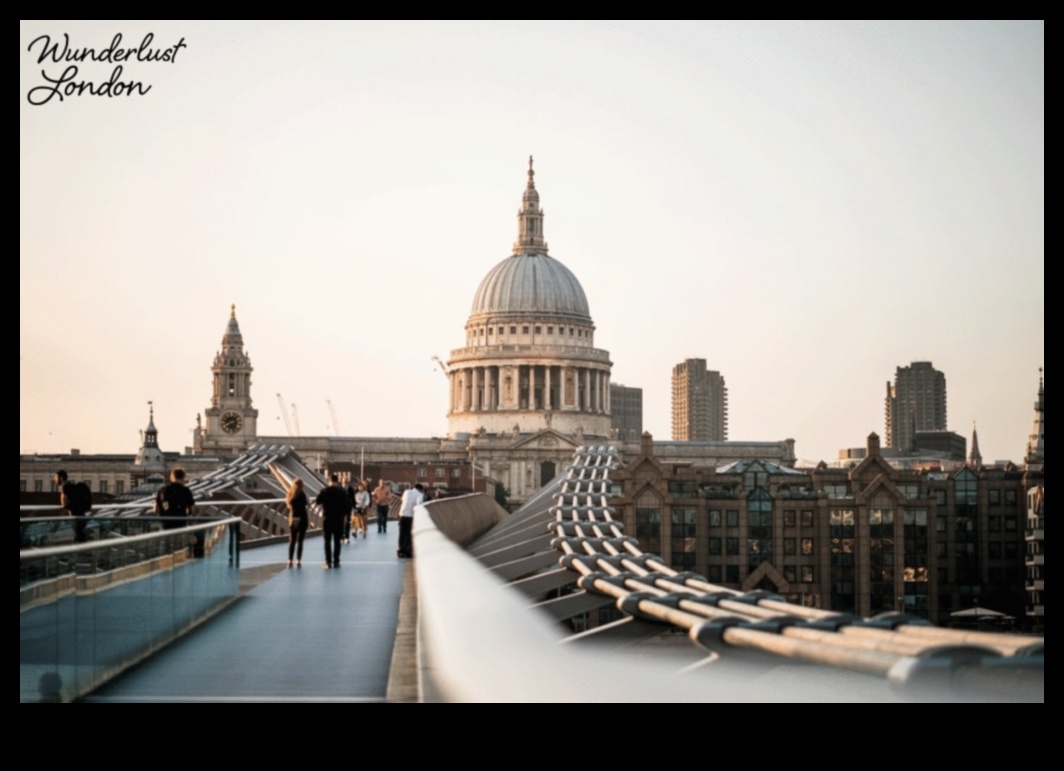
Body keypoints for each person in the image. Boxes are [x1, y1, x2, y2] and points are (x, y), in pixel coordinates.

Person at [315, 473, 351, 569]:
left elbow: (317, 501)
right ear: (337, 481)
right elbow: (348, 506)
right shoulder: (342, 491)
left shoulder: (325, 490)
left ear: (329, 481)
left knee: (327, 541)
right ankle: (336, 562)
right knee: (337, 541)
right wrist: (344, 515)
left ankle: (328, 562)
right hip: (339, 519)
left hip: (327, 518)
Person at [55, 469, 91, 543]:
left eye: (56, 477)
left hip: (76, 518)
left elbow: (64, 504)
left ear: (61, 478)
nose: (54, 480)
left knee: (80, 540)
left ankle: (85, 553)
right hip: (82, 516)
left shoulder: (65, 487)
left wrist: (62, 494)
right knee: (80, 538)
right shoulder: (72, 486)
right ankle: (84, 552)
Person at [285, 478, 309, 568]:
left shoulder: (291, 495)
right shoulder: (302, 494)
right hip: (302, 518)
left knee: (292, 540)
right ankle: (298, 560)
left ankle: (290, 560)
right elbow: (306, 504)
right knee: (300, 541)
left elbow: (290, 506)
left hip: (294, 518)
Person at [397, 483, 424, 559]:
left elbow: (402, 500)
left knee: (402, 534)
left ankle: (401, 550)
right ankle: (408, 551)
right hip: (411, 516)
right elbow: (419, 504)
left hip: (402, 514)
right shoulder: (420, 495)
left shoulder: (406, 492)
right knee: (409, 534)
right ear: (421, 489)